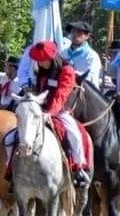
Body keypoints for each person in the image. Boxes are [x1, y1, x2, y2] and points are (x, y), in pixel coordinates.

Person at [28, 41, 92, 187]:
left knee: (74, 132)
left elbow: (61, 95)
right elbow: (39, 92)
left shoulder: (67, 70)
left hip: (61, 111)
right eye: (38, 59)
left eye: (42, 59)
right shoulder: (41, 71)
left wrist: (50, 112)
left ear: (52, 58)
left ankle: (79, 167)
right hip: (40, 110)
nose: (40, 62)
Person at [61, 21, 102, 88]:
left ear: (87, 36)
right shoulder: (63, 53)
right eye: (73, 31)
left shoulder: (92, 56)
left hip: (82, 93)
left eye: (79, 32)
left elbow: (91, 81)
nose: (75, 34)